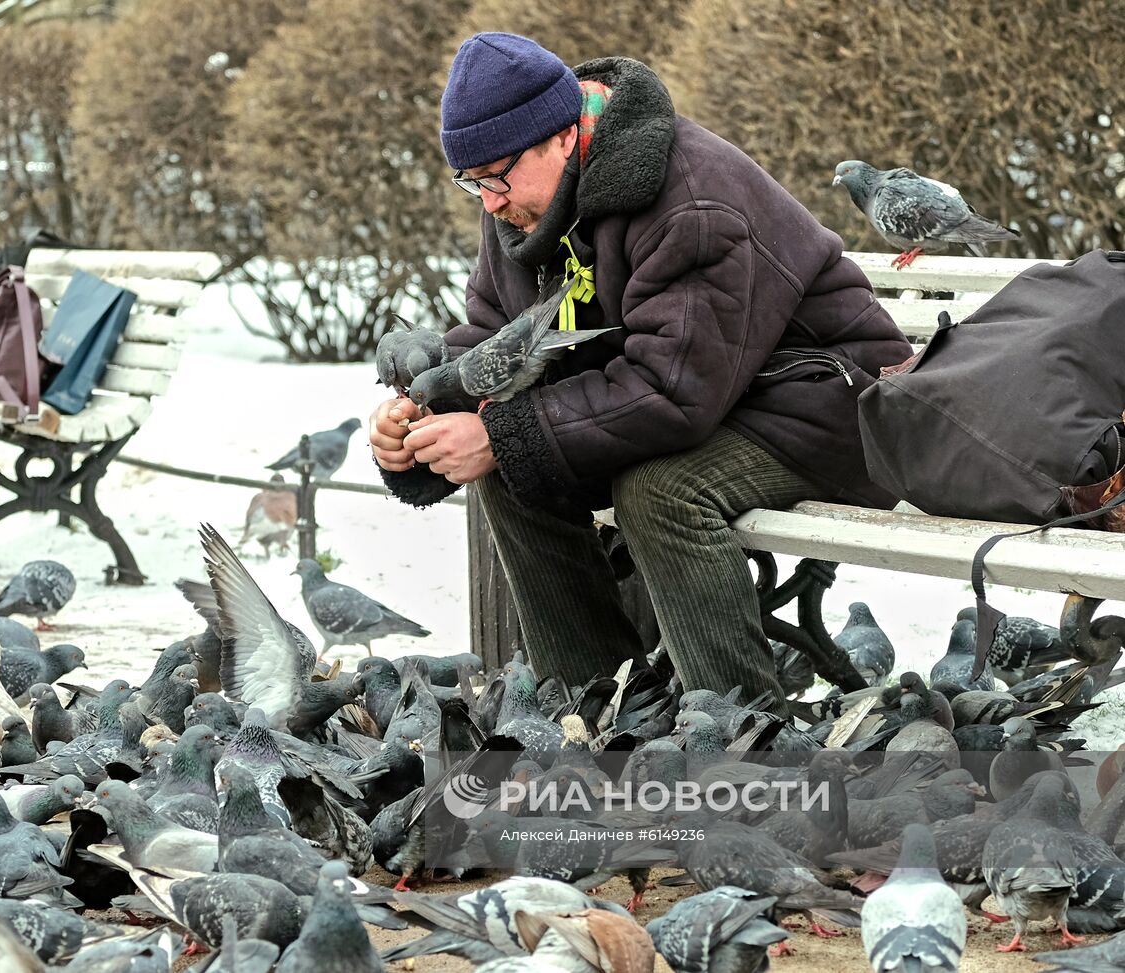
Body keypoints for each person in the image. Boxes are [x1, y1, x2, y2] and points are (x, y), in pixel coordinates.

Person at [368, 33, 912, 706]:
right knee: (511, 465)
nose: (489, 202)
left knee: (660, 491)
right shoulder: (520, 202)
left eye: (497, 177)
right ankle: (601, 711)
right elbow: (490, 342)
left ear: (562, 139)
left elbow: (670, 387)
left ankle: (740, 730)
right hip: (716, 403)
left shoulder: (689, 193)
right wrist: (421, 423)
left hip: (831, 403)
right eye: (471, 182)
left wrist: (501, 432)